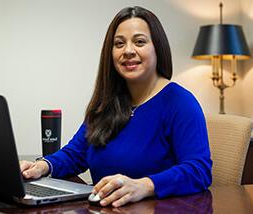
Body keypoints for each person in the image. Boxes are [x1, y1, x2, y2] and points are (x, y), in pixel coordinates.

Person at [20, 6, 212, 207]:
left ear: (158, 47)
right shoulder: (107, 102)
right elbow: (76, 154)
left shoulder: (180, 102)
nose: (128, 51)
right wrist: (40, 167)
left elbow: (198, 170)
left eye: (139, 42)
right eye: (119, 44)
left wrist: (144, 186)